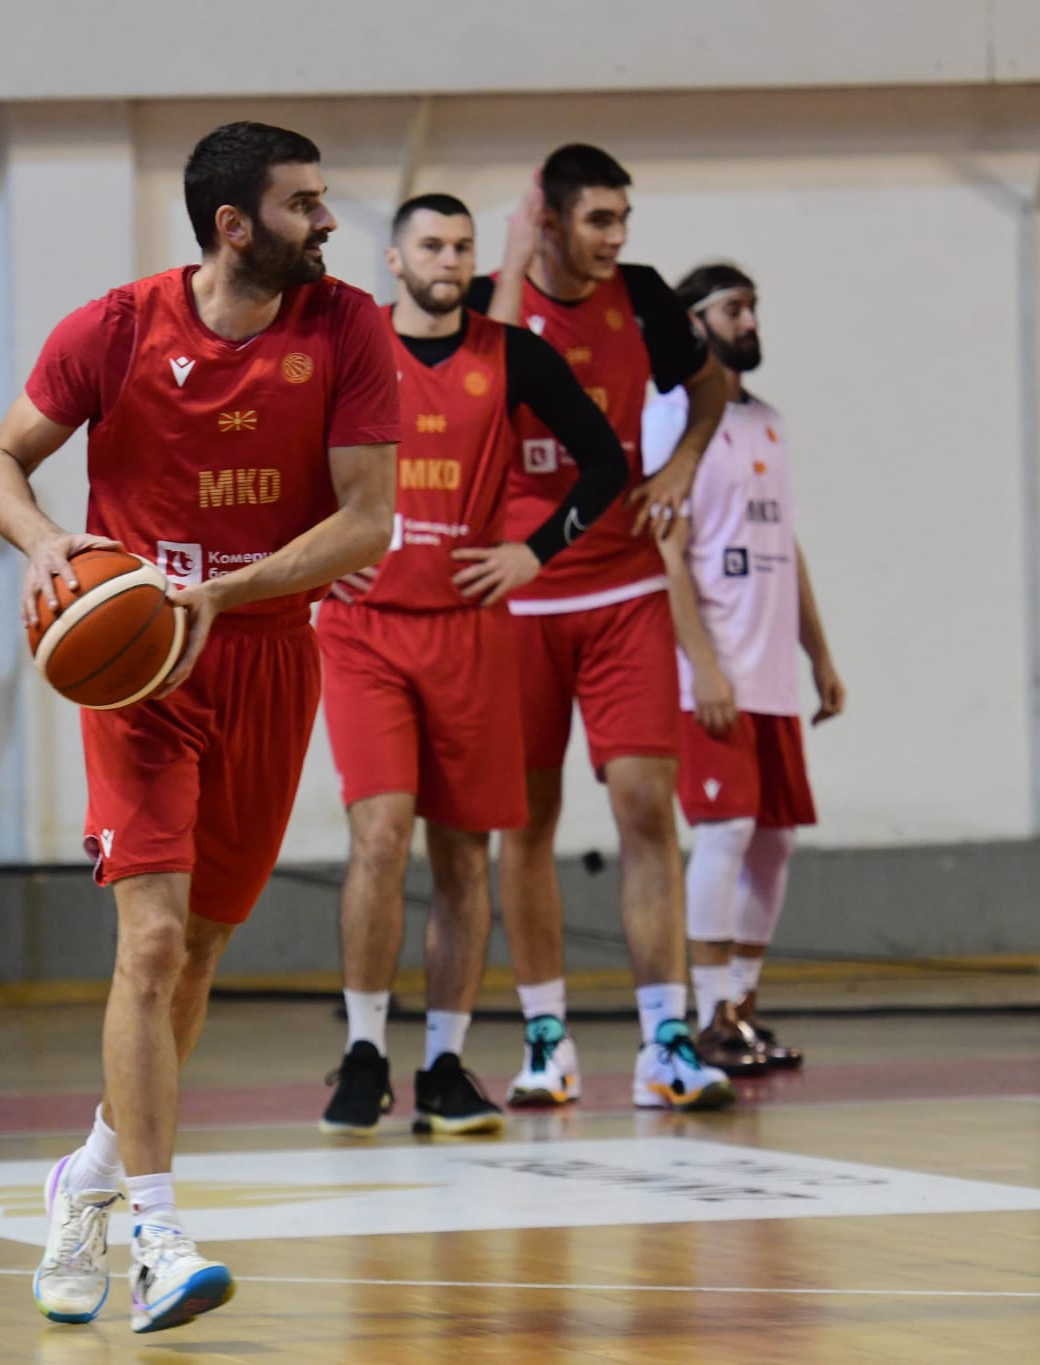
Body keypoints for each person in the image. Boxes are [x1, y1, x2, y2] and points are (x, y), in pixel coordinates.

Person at [0, 122, 398, 1334]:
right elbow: (0, 463)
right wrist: (44, 543)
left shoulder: (347, 328)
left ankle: (87, 1179)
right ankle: (156, 1235)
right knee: (150, 943)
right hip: (142, 673)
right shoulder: (113, 329)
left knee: (201, 951)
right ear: (232, 225)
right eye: (303, 203)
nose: (325, 220)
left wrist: (223, 590)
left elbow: (366, 520)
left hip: (264, 656)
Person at [316, 194, 627, 1138]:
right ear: (394, 260)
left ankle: (444, 1063)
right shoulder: (348, 345)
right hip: (365, 629)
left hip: (470, 630)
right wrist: (315, 551)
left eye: (461, 246)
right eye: (430, 246)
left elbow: (605, 464)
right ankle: (363, 1051)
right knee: (380, 835)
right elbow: (286, 453)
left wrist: (535, 552)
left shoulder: (514, 355)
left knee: (463, 857)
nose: (447, 260)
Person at [467, 144, 736, 1111]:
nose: (617, 238)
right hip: (521, 592)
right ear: (548, 219)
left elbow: (711, 386)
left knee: (644, 806)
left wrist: (682, 464)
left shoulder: (645, 296)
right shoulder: (489, 301)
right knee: (526, 823)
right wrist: (508, 260)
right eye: (598, 221)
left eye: (624, 220)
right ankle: (547, 1038)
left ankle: (667, 1039)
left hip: (623, 588)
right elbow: (483, 397)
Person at [648, 261, 845, 1075]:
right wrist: (702, 663)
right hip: (712, 669)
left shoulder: (770, 422)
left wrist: (818, 651)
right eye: (734, 308)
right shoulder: (671, 417)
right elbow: (664, 548)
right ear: (694, 323)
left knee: (774, 840)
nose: (750, 320)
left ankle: (744, 1007)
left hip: (771, 673)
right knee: (724, 829)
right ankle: (709, 1015)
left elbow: (783, 543)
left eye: (753, 307)